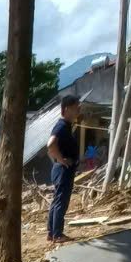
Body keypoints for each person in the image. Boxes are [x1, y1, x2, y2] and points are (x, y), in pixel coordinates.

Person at [46, 95, 82, 244]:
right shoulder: (61, 126)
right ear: (66, 109)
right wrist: (61, 159)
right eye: (75, 108)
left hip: (61, 168)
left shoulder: (65, 125)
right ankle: (57, 234)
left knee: (57, 201)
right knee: (61, 201)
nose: (78, 110)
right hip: (63, 169)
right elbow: (50, 144)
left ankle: (51, 233)